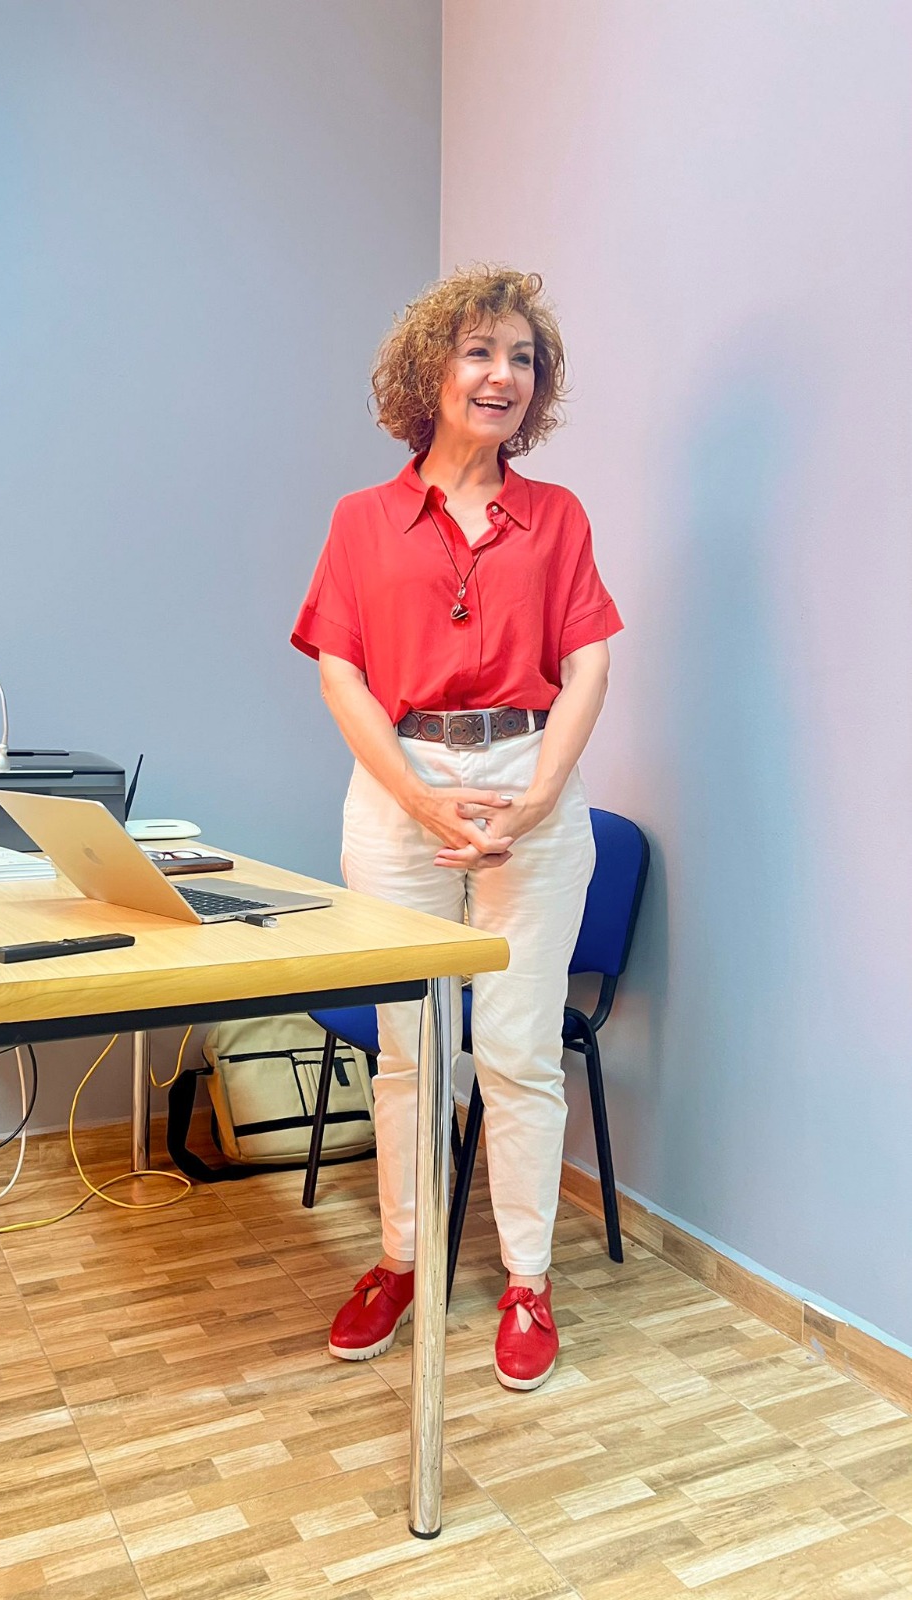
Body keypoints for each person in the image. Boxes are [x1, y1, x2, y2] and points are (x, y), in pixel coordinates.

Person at [290, 265, 622, 1390]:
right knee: (409, 1049)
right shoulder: (361, 519)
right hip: (399, 779)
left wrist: (538, 795)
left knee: (517, 1048)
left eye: (521, 358)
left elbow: (587, 665)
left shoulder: (557, 516)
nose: (501, 375)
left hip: (532, 773)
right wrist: (421, 796)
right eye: (479, 351)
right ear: (429, 371)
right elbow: (339, 673)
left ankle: (526, 1281)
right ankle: (400, 1258)